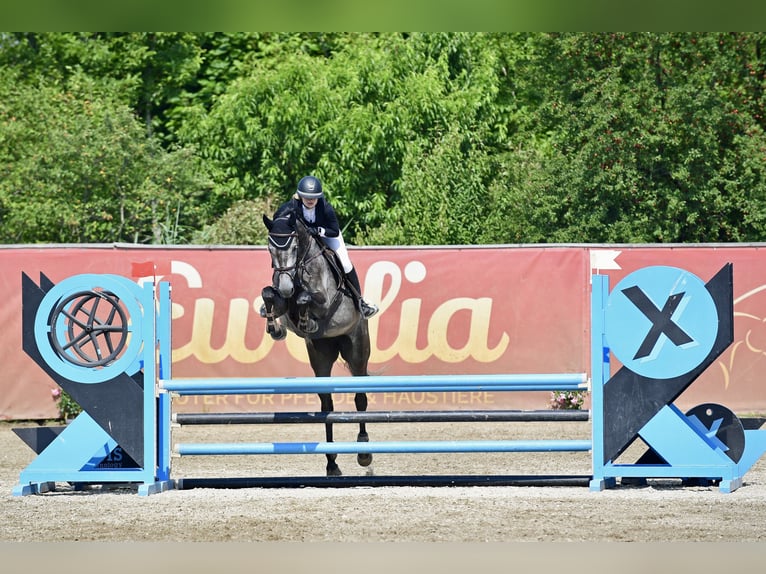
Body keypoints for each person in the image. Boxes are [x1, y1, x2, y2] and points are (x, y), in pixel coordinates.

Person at [273, 175, 379, 319]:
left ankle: (361, 301)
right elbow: (278, 216)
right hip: (305, 238)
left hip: (328, 235)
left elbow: (334, 230)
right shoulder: (293, 205)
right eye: (307, 197)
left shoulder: (326, 207)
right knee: (285, 258)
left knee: (346, 264)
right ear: (300, 196)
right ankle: (276, 294)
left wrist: (318, 231)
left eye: (314, 197)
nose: (310, 200)